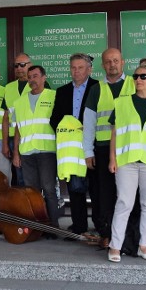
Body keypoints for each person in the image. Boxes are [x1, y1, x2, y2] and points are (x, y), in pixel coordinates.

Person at [107, 64, 146, 263]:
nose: (138, 80)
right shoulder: (121, 103)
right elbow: (115, 133)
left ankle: (144, 244)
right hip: (126, 160)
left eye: (144, 76)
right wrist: (112, 159)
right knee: (124, 202)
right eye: (136, 76)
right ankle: (115, 246)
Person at [82, 48, 135, 249]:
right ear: (103, 65)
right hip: (103, 149)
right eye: (108, 62)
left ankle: (130, 236)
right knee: (105, 194)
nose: (112, 65)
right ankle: (108, 234)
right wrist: (88, 151)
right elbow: (88, 123)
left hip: (130, 149)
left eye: (115, 61)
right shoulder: (96, 89)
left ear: (122, 62)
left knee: (129, 196)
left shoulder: (134, 83)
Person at [51, 53, 98, 235]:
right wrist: (70, 129)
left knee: (96, 188)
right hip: (71, 148)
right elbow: (54, 119)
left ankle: (101, 227)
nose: (76, 71)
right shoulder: (62, 91)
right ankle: (79, 227)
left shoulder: (98, 87)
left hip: (92, 147)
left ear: (89, 69)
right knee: (75, 188)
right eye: (73, 67)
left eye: (80, 67)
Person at [12, 65, 60, 228]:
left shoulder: (54, 96)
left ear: (44, 77)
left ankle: (53, 227)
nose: (32, 80)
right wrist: (16, 153)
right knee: (32, 192)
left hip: (47, 151)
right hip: (26, 152)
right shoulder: (19, 102)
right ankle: (37, 226)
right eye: (30, 77)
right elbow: (17, 128)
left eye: (35, 76)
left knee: (49, 190)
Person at [4, 52, 32, 185]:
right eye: (16, 66)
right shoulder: (8, 88)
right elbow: (5, 117)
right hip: (12, 138)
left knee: (31, 177)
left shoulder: (39, 84)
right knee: (18, 177)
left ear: (30, 65)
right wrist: (4, 143)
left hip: (32, 137)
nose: (19, 68)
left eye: (22, 65)